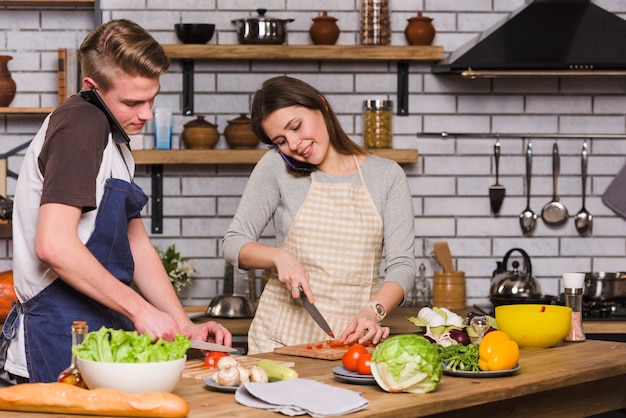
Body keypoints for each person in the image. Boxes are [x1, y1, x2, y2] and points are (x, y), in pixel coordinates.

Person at [1, 19, 232, 383]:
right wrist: (140, 310)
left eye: (152, 98)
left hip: (100, 333)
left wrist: (183, 323)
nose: (147, 114)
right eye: (133, 102)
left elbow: (135, 243)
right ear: (92, 86)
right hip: (61, 338)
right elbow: (53, 245)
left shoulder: (116, 141)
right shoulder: (82, 124)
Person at [223, 76, 416, 354]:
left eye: (296, 126)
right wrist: (280, 257)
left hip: (352, 340)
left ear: (321, 105)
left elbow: (402, 265)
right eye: (281, 140)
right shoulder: (276, 167)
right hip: (278, 340)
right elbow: (233, 243)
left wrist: (373, 312)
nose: (294, 144)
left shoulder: (386, 175)